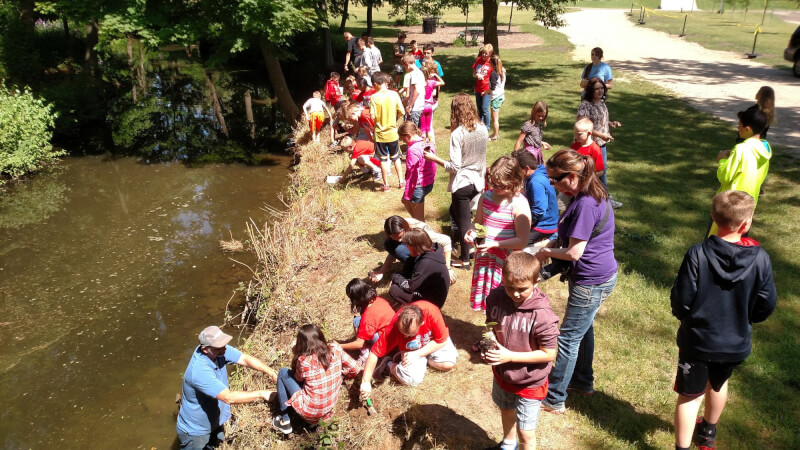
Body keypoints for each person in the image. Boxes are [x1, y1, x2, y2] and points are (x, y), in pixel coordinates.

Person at [671, 191, 776, 450]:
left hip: (697, 341)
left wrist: (688, 319)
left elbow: (681, 300)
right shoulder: (760, 257)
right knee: (718, 383)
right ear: (746, 223)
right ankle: (707, 434)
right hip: (734, 342)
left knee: (689, 396)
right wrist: (745, 319)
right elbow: (767, 303)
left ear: (713, 217)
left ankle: (683, 446)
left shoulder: (697, 253)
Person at [534, 149, 617, 415]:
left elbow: (573, 253)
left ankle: (555, 398)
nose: (551, 185)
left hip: (590, 280)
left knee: (569, 338)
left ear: (571, 176)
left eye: (554, 180)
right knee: (584, 329)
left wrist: (546, 252)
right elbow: (572, 238)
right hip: (600, 274)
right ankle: (582, 381)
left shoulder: (584, 204)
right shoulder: (588, 192)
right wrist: (549, 242)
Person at [483, 251, 560, 450]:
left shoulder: (542, 315)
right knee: (506, 408)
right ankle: (508, 445)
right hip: (503, 374)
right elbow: (491, 325)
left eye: (522, 289)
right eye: (510, 287)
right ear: (503, 279)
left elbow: (549, 353)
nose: (515, 294)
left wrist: (509, 356)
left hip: (530, 380)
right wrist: (490, 340)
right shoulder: (496, 297)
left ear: (536, 282)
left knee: (526, 433)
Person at [177, 326, 277, 449]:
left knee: (217, 444)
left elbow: (244, 359)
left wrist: (270, 372)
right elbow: (228, 397)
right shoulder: (199, 371)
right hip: (195, 432)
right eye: (219, 347)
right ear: (205, 349)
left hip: (215, 421)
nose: (224, 348)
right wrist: (261, 394)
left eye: (224, 344)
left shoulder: (218, 350)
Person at [424, 93, 488, 270]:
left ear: (455, 110)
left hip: (463, 183)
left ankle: (465, 259)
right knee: (473, 218)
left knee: (464, 221)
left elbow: (454, 166)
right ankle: (476, 249)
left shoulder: (458, 134)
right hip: (478, 181)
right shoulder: (483, 128)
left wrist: (433, 158)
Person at [466, 156, 532, 312]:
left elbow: (522, 241)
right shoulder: (486, 197)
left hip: (507, 262)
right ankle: (490, 329)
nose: (494, 187)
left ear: (514, 182)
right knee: (489, 300)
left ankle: (500, 333)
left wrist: (496, 243)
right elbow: (479, 225)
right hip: (487, 257)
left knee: (505, 301)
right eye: (492, 182)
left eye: (500, 185)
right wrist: (472, 234)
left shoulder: (519, 204)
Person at [272, 324, 361, 435]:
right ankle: (312, 422)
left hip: (309, 413)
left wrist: (296, 354)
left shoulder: (304, 360)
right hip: (327, 411)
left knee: (283, 372)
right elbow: (356, 368)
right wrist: (342, 373)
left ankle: (284, 420)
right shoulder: (336, 348)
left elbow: (297, 379)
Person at [359, 301, 457, 396]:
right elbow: (374, 353)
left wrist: (417, 354)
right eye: (402, 333)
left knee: (448, 364)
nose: (405, 337)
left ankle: (424, 359)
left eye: (409, 334)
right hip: (410, 349)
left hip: (432, 342)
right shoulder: (395, 325)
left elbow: (441, 340)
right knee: (412, 380)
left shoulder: (431, 312)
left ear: (422, 323)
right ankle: (389, 365)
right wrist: (366, 382)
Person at [710, 108, 772, 236]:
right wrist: (733, 155)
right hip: (748, 205)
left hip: (730, 204)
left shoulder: (741, 149)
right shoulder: (764, 149)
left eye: (739, 126)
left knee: (717, 240)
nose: (738, 128)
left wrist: (722, 160)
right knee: (739, 241)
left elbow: (724, 176)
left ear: (747, 129)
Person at [369, 215, 456, 284]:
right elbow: (393, 253)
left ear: (404, 228)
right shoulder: (396, 232)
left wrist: (447, 268)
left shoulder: (418, 229)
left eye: (400, 237)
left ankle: (418, 271)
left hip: (428, 254)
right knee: (389, 244)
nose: (398, 240)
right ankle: (411, 267)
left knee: (399, 249)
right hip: (415, 250)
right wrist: (382, 271)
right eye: (394, 238)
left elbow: (446, 241)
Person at [578, 77, 622, 208]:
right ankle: (605, 199)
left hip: (601, 143)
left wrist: (610, 123)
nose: (600, 91)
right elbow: (583, 126)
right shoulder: (585, 105)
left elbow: (599, 120)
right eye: (596, 89)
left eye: (602, 88)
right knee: (593, 171)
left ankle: (599, 196)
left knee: (601, 171)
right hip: (590, 144)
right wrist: (601, 134)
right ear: (590, 90)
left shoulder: (601, 102)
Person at [338, 278, 396, 365]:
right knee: (358, 320)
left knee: (356, 322)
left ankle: (365, 353)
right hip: (396, 335)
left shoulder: (368, 316)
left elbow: (359, 344)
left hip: (387, 344)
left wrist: (339, 346)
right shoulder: (378, 299)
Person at [389, 229, 451, 308]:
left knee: (394, 290)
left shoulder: (426, 264)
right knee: (400, 281)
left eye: (407, 246)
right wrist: (412, 256)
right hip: (430, 291)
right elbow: (407, 271)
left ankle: (418, 310)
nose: (407, 248)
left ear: (414, 246)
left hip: (432, 303)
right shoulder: (432, 250)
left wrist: (395, 277)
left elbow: (410, 287)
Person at [513, 150, 558, 250]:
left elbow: (539, 210)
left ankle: (545, 244)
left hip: (544, 226)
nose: (515, 173)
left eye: (517, 171)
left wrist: (524, 225)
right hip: (542, 222)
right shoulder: (536, 173)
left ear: (526, 169)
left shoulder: (536, 182)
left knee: (516, 244)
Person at [369, 71, 406, 191]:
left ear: (375, 83)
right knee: (396, 157)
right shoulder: (394, 95)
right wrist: (394, 118)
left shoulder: (374, 97)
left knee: (383, 160)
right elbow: (402, 111)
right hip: (392, 133)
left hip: (380, 135)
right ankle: (401, 182)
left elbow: (372, 117)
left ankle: (386, 185)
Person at [399, 121, 436, 221]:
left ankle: (422, 232)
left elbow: (412, 174)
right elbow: (434, 164)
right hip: (429, 183)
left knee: (419, 220)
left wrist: (407, 193)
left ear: (408, 135)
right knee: (405, 202)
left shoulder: (412, 150)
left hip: (418, 186)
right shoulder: (427, 142)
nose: (404, 142)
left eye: (403, 139)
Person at [513, 101, 551, 166]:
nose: (541, 118)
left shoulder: (538, 124)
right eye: (538, 115)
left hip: (538, 153)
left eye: (543, 116)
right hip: (529, 154)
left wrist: (542, 143)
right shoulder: (528, 125)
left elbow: (533, 138)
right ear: (534, 112)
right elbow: (519, 141)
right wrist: (514, 157)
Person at [419, 59, 444, 142]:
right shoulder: (431, 82)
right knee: (428, 127)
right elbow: (442, 83)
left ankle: (424, 143)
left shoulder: (420, 83)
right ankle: (431, 143)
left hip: (422, 106)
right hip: (429, 106)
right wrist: (437, 76)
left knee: (423, 127)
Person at [473, 44, 494, 130]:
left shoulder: (491, 63)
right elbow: (473, 73)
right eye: (483, 53)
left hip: (486, 89)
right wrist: (477, 75)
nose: (484, 55)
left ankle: (487, 127)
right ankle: (480, 125)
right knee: (479, 108)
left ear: (490, 54)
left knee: (485, 109)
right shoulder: (478, 60)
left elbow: (494, 77)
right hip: (478, 87)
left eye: (486, 53)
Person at [402, 53, 426, 127]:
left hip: (415, 108)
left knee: (413, 131)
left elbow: (417, 90)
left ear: (407, 64)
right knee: (418, 131)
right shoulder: (420, 72)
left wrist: (410, 106)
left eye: (404, 66)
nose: (405, 68)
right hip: (420, 106)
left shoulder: (414, 73)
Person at [488, 55, 506, 142]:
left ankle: (495, 136)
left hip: (496, 97)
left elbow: (492, 88)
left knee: (495, 119)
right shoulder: (502, 70)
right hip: (501, 95)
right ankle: (494, 133)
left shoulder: (493, 74)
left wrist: (485, 92)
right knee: (495, 118)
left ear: (492, 63)